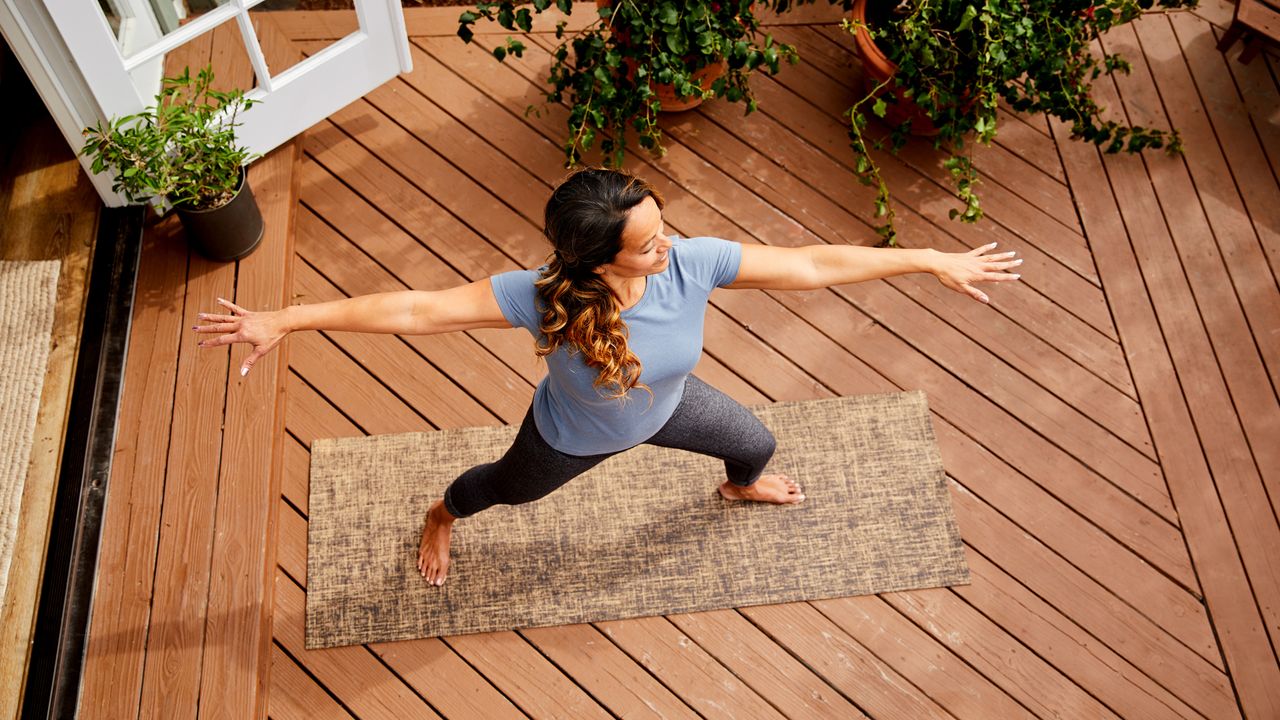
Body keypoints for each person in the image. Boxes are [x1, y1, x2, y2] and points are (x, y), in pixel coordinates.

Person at [194, 168, 1021, 586]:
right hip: (570, 437)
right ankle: (439, 514)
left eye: (665, 228)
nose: (670, 244)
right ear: (598, 256)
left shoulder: (691, 264)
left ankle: (738, 487)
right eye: (650, 241)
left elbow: (809, 263)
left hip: (668, 409)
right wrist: (286, 319)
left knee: (756, 444)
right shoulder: (540, 295)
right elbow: (412, 311)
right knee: (500, 492)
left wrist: (925, 258)